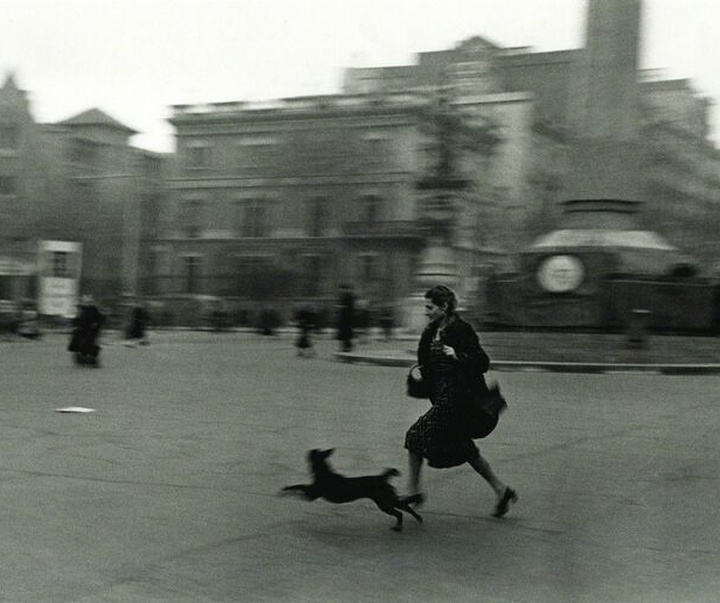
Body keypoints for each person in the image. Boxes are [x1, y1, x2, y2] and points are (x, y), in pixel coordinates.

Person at [404, 285, 517, 518]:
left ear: (444, 307)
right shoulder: (430, 332)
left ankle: (413, 491)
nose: (426, 311)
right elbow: (428, 368)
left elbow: (482, 362)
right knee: (465, 449)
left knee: (415, 435)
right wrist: (420, 378)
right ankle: (501, 490)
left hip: (462, 402)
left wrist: (458, 355)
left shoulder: (462, 330)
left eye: (430, 307)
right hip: (444, 401)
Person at [68, 294, 106, 366]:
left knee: (85, 345)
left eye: (88, 302)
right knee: (87, 345)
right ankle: (88, 359)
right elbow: (100, 319)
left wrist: (95, 325)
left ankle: (86, 358)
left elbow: (100, 319)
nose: (87, 303)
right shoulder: (84, 310)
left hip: (87, 331)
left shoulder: (87, 309)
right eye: (86, 302)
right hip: (87, 331)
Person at [336, 283, 355, 352]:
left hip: (347, 317)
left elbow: (350, 307)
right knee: (344, 332)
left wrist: (341, 307)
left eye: (341, 289)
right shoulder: (343, 296)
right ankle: (346, 346)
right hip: (344, 317)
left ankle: (347, 346)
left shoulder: (349, 296)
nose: (340, 291)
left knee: (345, 332)